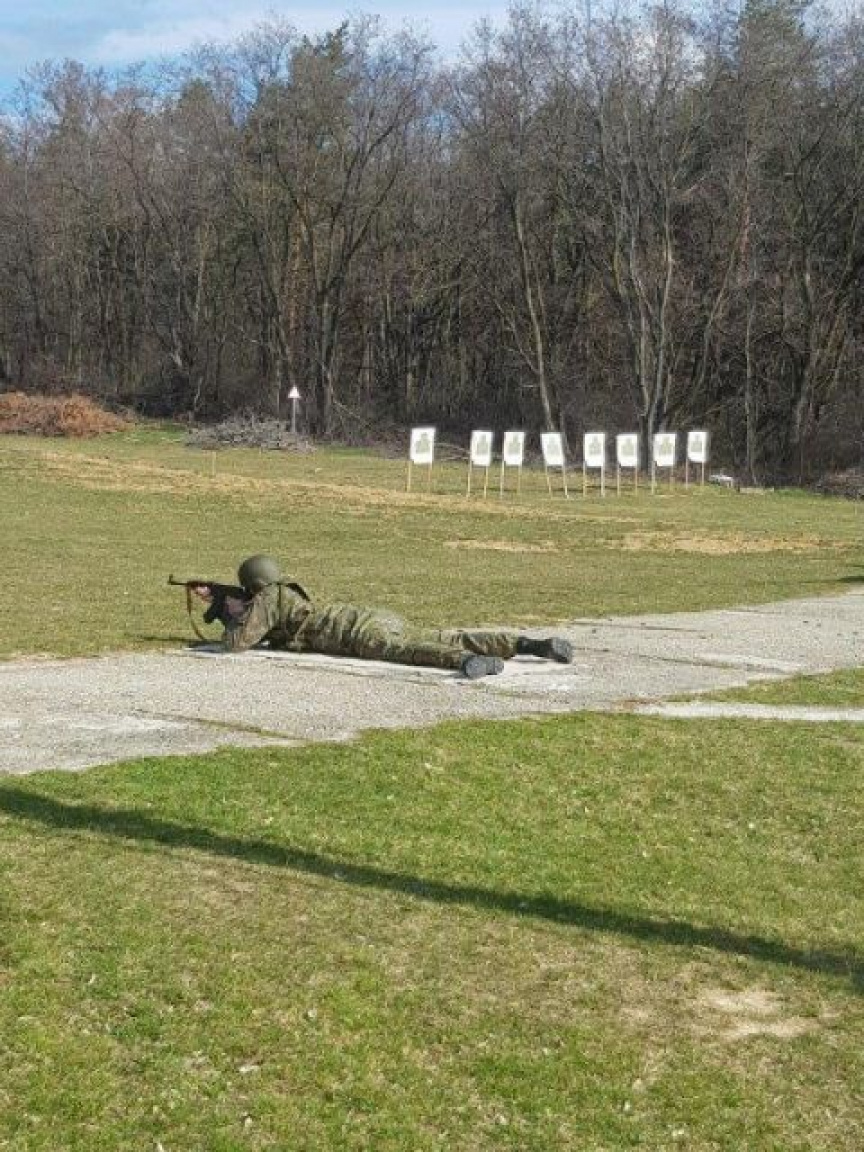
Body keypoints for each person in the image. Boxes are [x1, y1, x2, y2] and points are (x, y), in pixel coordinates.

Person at [192, 554, 575, 680]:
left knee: (407, 651)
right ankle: (528, 644)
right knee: (445, 635)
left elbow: (237, 643)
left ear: (253, 585)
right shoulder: (285, 592)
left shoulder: (268, 598)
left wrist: (225, 610)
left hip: (355, 633)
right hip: (369, 615)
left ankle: (467, 662)